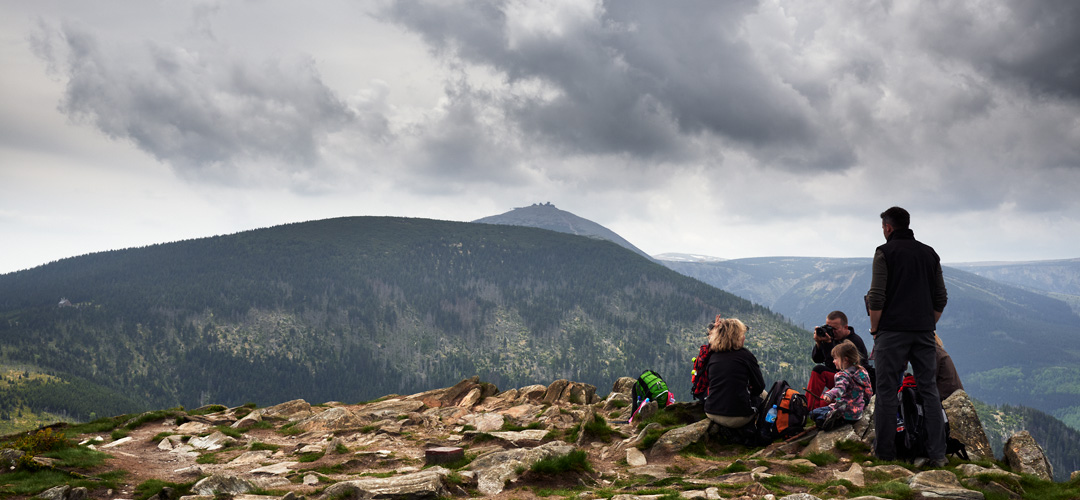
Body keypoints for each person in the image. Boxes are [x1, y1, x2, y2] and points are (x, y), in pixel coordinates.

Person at [867, 206, 949, 466]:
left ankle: (885, 453)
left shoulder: (884, 253)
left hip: (891, 332)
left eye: (883, 228)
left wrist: (875, 329)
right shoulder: (929, 253)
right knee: (929, 390)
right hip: (924, 332)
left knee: (887, 391)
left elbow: (876, 297)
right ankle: (937, 455)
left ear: (888, 228)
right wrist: (926, 324)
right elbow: (941, 298)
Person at [704, 317, 767, 430]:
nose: (744, 337)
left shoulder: (712, 356)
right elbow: (759, 386)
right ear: (735, 337)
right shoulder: (745, 356)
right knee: (764, 394)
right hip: (738, 418)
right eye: (741, 334)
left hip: (711, 412)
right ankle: (760, 428)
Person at [807, 310, 873, 410]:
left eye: (834, 329)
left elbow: (834, 367)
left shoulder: (853, 342)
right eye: (828, 327)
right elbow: (817, 358)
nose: (831, 331)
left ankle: (808, 410)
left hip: (851, 382)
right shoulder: (832, 337)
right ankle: (810, 408)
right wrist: (819, 343)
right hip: (841, 382)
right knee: (821, 402)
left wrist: (829, 343)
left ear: (845, 327)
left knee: (819, 371)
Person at [810, 341, 874, 431]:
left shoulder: (843, 375)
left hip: (844, 411)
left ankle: (832, 418)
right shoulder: (862, 371)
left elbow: (839, 388)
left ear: (845, 359)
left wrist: (829, 395)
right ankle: (834, 417)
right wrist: (864, 404)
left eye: (835, 358)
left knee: (814, 414)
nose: (833, 361)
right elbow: (868, 391)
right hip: (857, 413)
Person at [934, 332, 964, 401]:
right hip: (955, 400)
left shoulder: (933, 353)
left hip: (947, 403)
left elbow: (927, 381)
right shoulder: (938, 350)